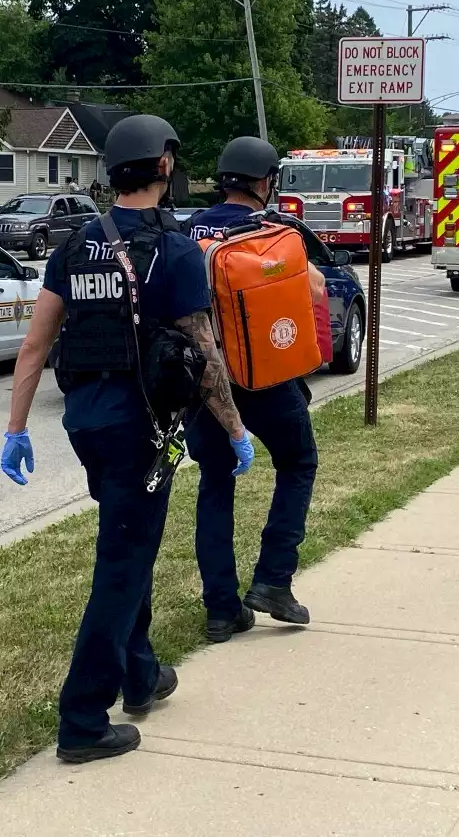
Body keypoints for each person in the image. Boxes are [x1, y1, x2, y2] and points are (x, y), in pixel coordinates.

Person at [0, 114, 254, 765]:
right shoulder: (174, 252)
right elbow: (204, 352)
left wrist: (16, 428)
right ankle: (82, 718)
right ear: (164, 165)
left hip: (85, 425)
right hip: (140, 432)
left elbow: (35, 345)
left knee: (127, 543)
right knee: (120, 568)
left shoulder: (74, 247)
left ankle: (141, 674)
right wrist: (235, 428)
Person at [184, 137, 323, 643]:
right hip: (265, 379)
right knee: (298, 463)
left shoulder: (185, 233)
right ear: (265, 182)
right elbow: (315, 291)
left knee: (215, 483)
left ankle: (221, 609)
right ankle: (273, 581)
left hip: (206, 386)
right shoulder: (275, 231)